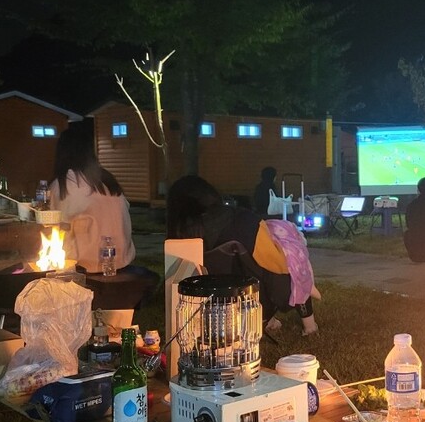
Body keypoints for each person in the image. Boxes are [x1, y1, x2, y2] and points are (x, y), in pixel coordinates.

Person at [167, 175, 319, 334]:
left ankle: (269, 320)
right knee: (294, 265)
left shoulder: (181, 237)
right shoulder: (244, 220)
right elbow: (275, 264)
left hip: (210, 309)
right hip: (255, 298)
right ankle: (308, 325)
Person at [48, 127, 136, 273]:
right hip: (122, 260)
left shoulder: (65, 183)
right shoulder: (106, 178)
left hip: (86, 265)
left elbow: (56, 226)